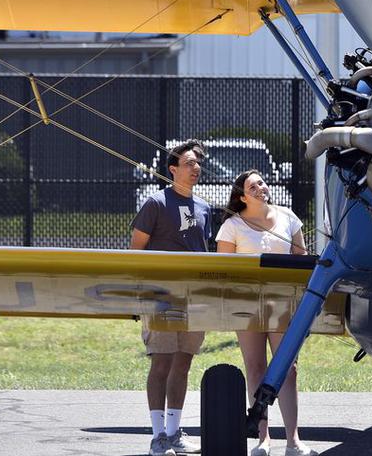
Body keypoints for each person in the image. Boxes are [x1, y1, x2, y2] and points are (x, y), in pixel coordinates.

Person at [215, 169, 317, 456]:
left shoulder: (287, 216)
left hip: (283, 302)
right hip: (246, 305)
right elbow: (224, 269)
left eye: (261, 182)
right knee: (256, 368)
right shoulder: (232, 226)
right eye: (252, 185)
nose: (260, 187)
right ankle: (263, 439)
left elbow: (302, 258)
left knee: (288, 369)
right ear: (241, 195)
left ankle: (293, 441)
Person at [130, 139, 211, 456]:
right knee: (161, 362)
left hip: (194, 298)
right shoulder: (156, 203)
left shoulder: (204, 208)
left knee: (183, 363)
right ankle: (158, 437)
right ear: (173, 169)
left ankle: (175, 433)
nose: (195, 168)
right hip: (160, 295)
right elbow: (136, 252)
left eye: (197, 163)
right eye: (189, 163)